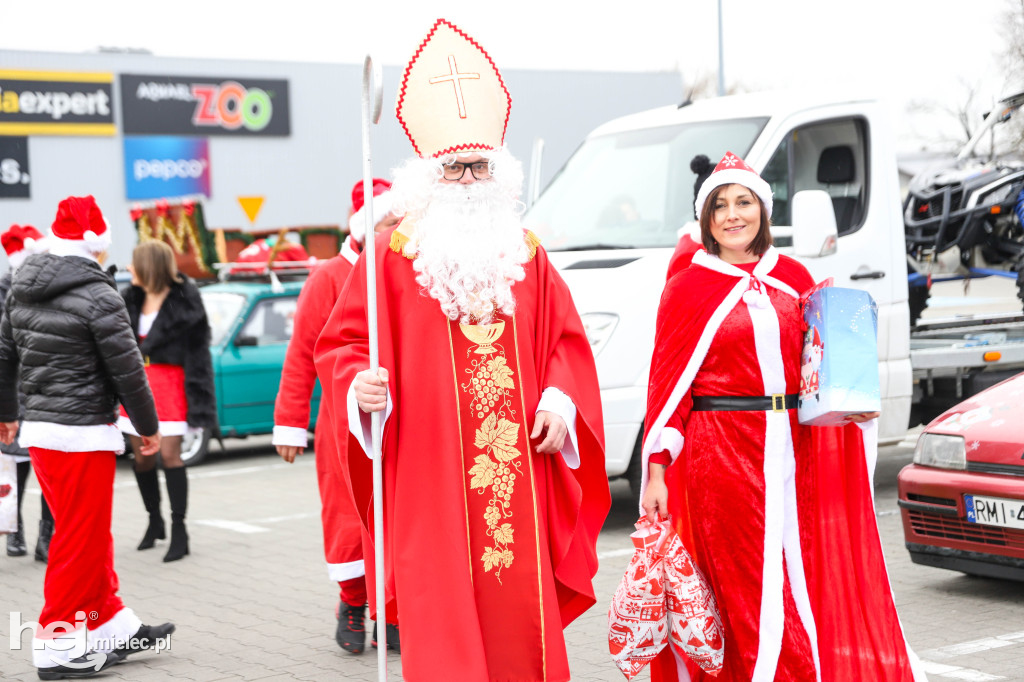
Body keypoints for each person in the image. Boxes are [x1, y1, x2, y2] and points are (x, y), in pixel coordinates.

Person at [314, 18, 610, 681]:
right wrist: (357, 391)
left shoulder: (525, 254)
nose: (469, 179)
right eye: (455, 168)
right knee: (442, 625)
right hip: (429, 476)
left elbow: (565, 342)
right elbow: (342, 347)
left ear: (498, 173)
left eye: (479, 165)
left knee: (518, 627)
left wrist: (560, 401)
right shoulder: (392, 258)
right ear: (428, 176)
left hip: (519, 477)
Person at [639, 153, 926, 681]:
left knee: (799, 578)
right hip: (721, 454)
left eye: (743, 202)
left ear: (763, 211)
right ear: (705, 219)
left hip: (796, 452)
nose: (732, 215)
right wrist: (658, 468)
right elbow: (668, 389)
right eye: (719, 205)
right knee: (748, 585)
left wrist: (852, 382)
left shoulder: (794, 276)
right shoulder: (687, 288)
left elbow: (826, 358)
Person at [0, 195, 175, 679]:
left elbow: (3, 352)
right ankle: (56, 644)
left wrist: (7, 412)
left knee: (88, 534)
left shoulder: (22, 286)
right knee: (78, 539)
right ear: (96, 244)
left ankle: (106, 624)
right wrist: (148, 426)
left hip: (42, 429)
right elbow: (128, 370)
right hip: (81, 432)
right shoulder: (100, 294)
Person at [272, 178, 400, 654]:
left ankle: (393, 609)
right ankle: (351, 602)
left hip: (396, 420)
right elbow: (302, 352)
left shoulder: (402, 270)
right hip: (341, 423)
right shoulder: (328, 277)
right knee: (349, 517)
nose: (398, 230)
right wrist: (289, 422)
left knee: (395, 518)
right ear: (367, 227)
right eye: (390, 222)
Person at [118, 240, 216, 563]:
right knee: (143, 458)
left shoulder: (186, 300)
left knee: (170, 456)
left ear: (149, 266)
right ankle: (154, 519)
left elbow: (199, 354)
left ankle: (179, 529)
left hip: (171, 386)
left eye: (134, 263)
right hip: (136, 386)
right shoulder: (129, 298)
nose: (129, 269)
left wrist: (200, 399)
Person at [1, 224, 54, 562]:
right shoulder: (3, 290)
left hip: (47, 386)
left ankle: (46, 534)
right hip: (13, 387)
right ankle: (15, 526)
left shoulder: (51, 291)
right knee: (17, 463)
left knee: (50, 464)